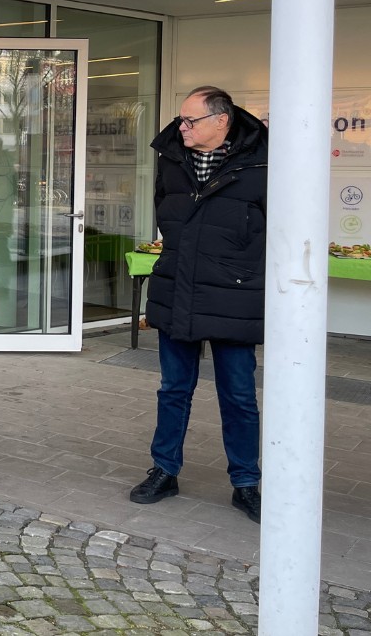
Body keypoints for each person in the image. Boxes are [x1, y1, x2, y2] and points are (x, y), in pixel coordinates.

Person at [131, 85, 268, 523]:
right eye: (181, 119)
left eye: (191, 120)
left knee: (239, 395)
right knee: (173, 389)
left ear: (221, 121)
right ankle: (164, 470)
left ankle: (246, 483)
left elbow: (273, 227)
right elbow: (165, 213)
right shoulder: (171, 158)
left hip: (234, 293)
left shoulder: (262, 163)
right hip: (178, 288)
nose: (181, 127)